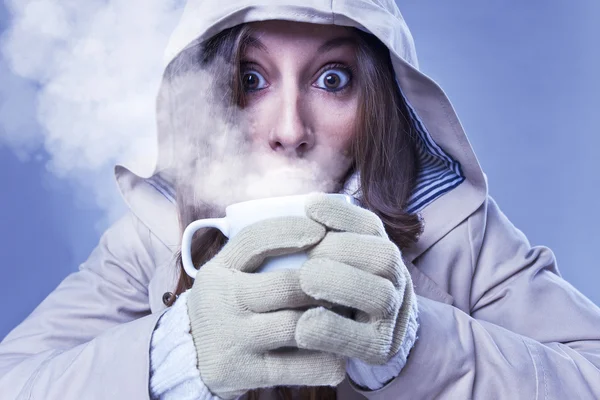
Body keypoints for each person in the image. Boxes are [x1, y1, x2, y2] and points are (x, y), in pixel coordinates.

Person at [1, 0, 600, 399]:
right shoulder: (152, 240)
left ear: (379, 102)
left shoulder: (455, 230)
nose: (290, 129)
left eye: (332, 78)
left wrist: (414, 346)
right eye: (252, 79)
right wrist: (174, 353)